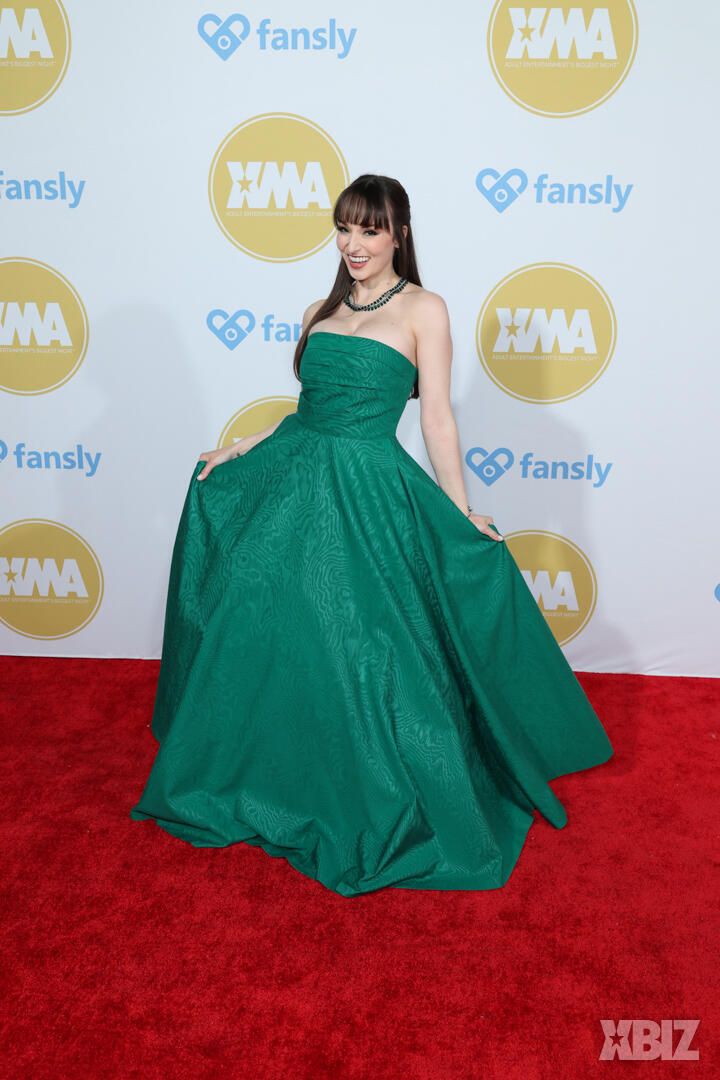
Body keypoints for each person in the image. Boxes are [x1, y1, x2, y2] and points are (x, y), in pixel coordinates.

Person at [129, 174, 614, 896]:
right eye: (345, 229)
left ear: (399, 235)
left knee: (363, 648)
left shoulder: (424, 309)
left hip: (366, 494)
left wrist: (460, 509)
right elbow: (306, 411)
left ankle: (367, 785)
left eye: (370, 230)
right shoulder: (318, 311)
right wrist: (241, 446)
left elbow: (437, 416)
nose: (354, 244)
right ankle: (263, 771)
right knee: (263, 620)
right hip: (296, 482)